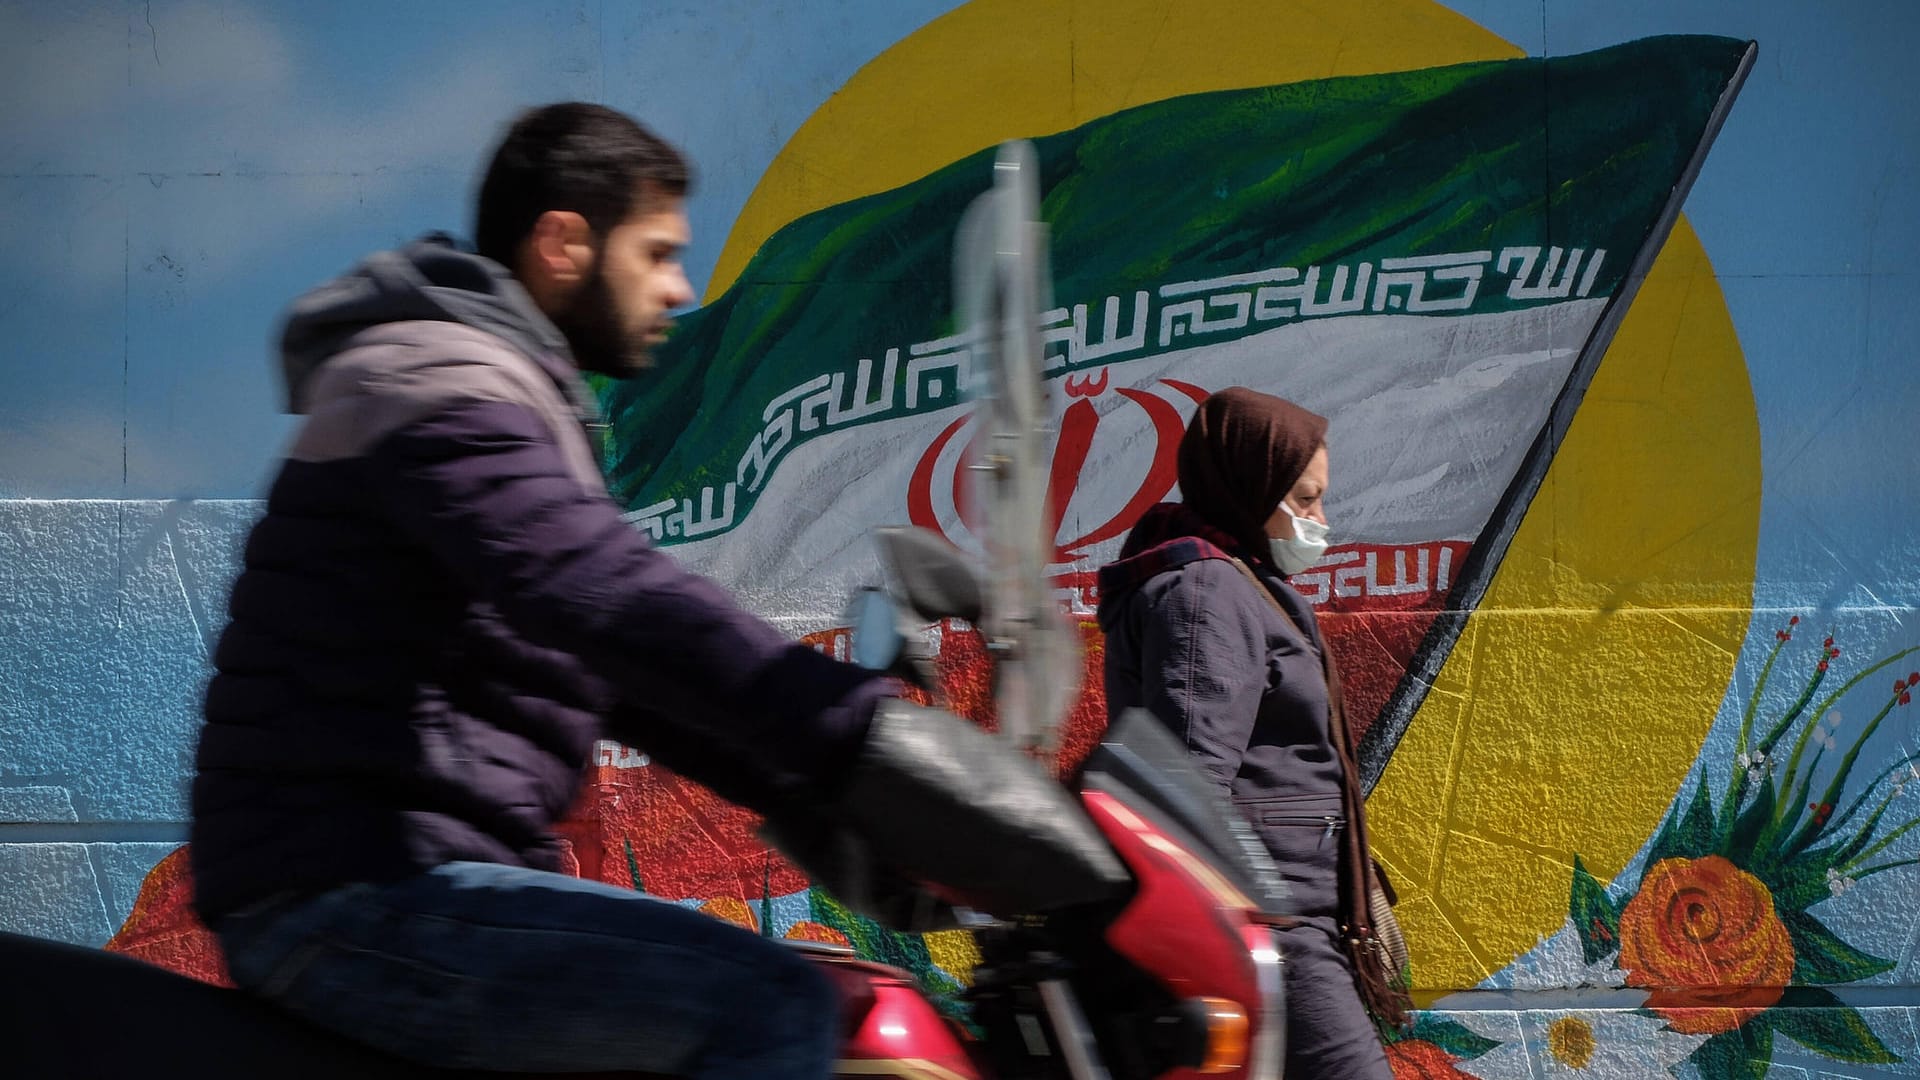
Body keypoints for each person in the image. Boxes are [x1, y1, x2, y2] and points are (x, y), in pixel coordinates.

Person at [189, 102, 1118, 1077]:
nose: (678, 289)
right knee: (775, 1003)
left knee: (834, 989)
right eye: (658, 253)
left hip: (402, 878)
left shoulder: (500, 394)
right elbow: (595, 591)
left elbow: (614, 674)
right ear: (563, 243)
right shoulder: (431, 380)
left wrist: (825, 808)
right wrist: (859, 732)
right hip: (355, 891)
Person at [1096, 386, 1409, 1078]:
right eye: (1302, 499)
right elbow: (1187, 780)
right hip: (1272, 920)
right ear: (1249, 483)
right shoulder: (1207, 593)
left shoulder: (1240, 582)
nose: (1319, 519)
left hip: (1291, 911)